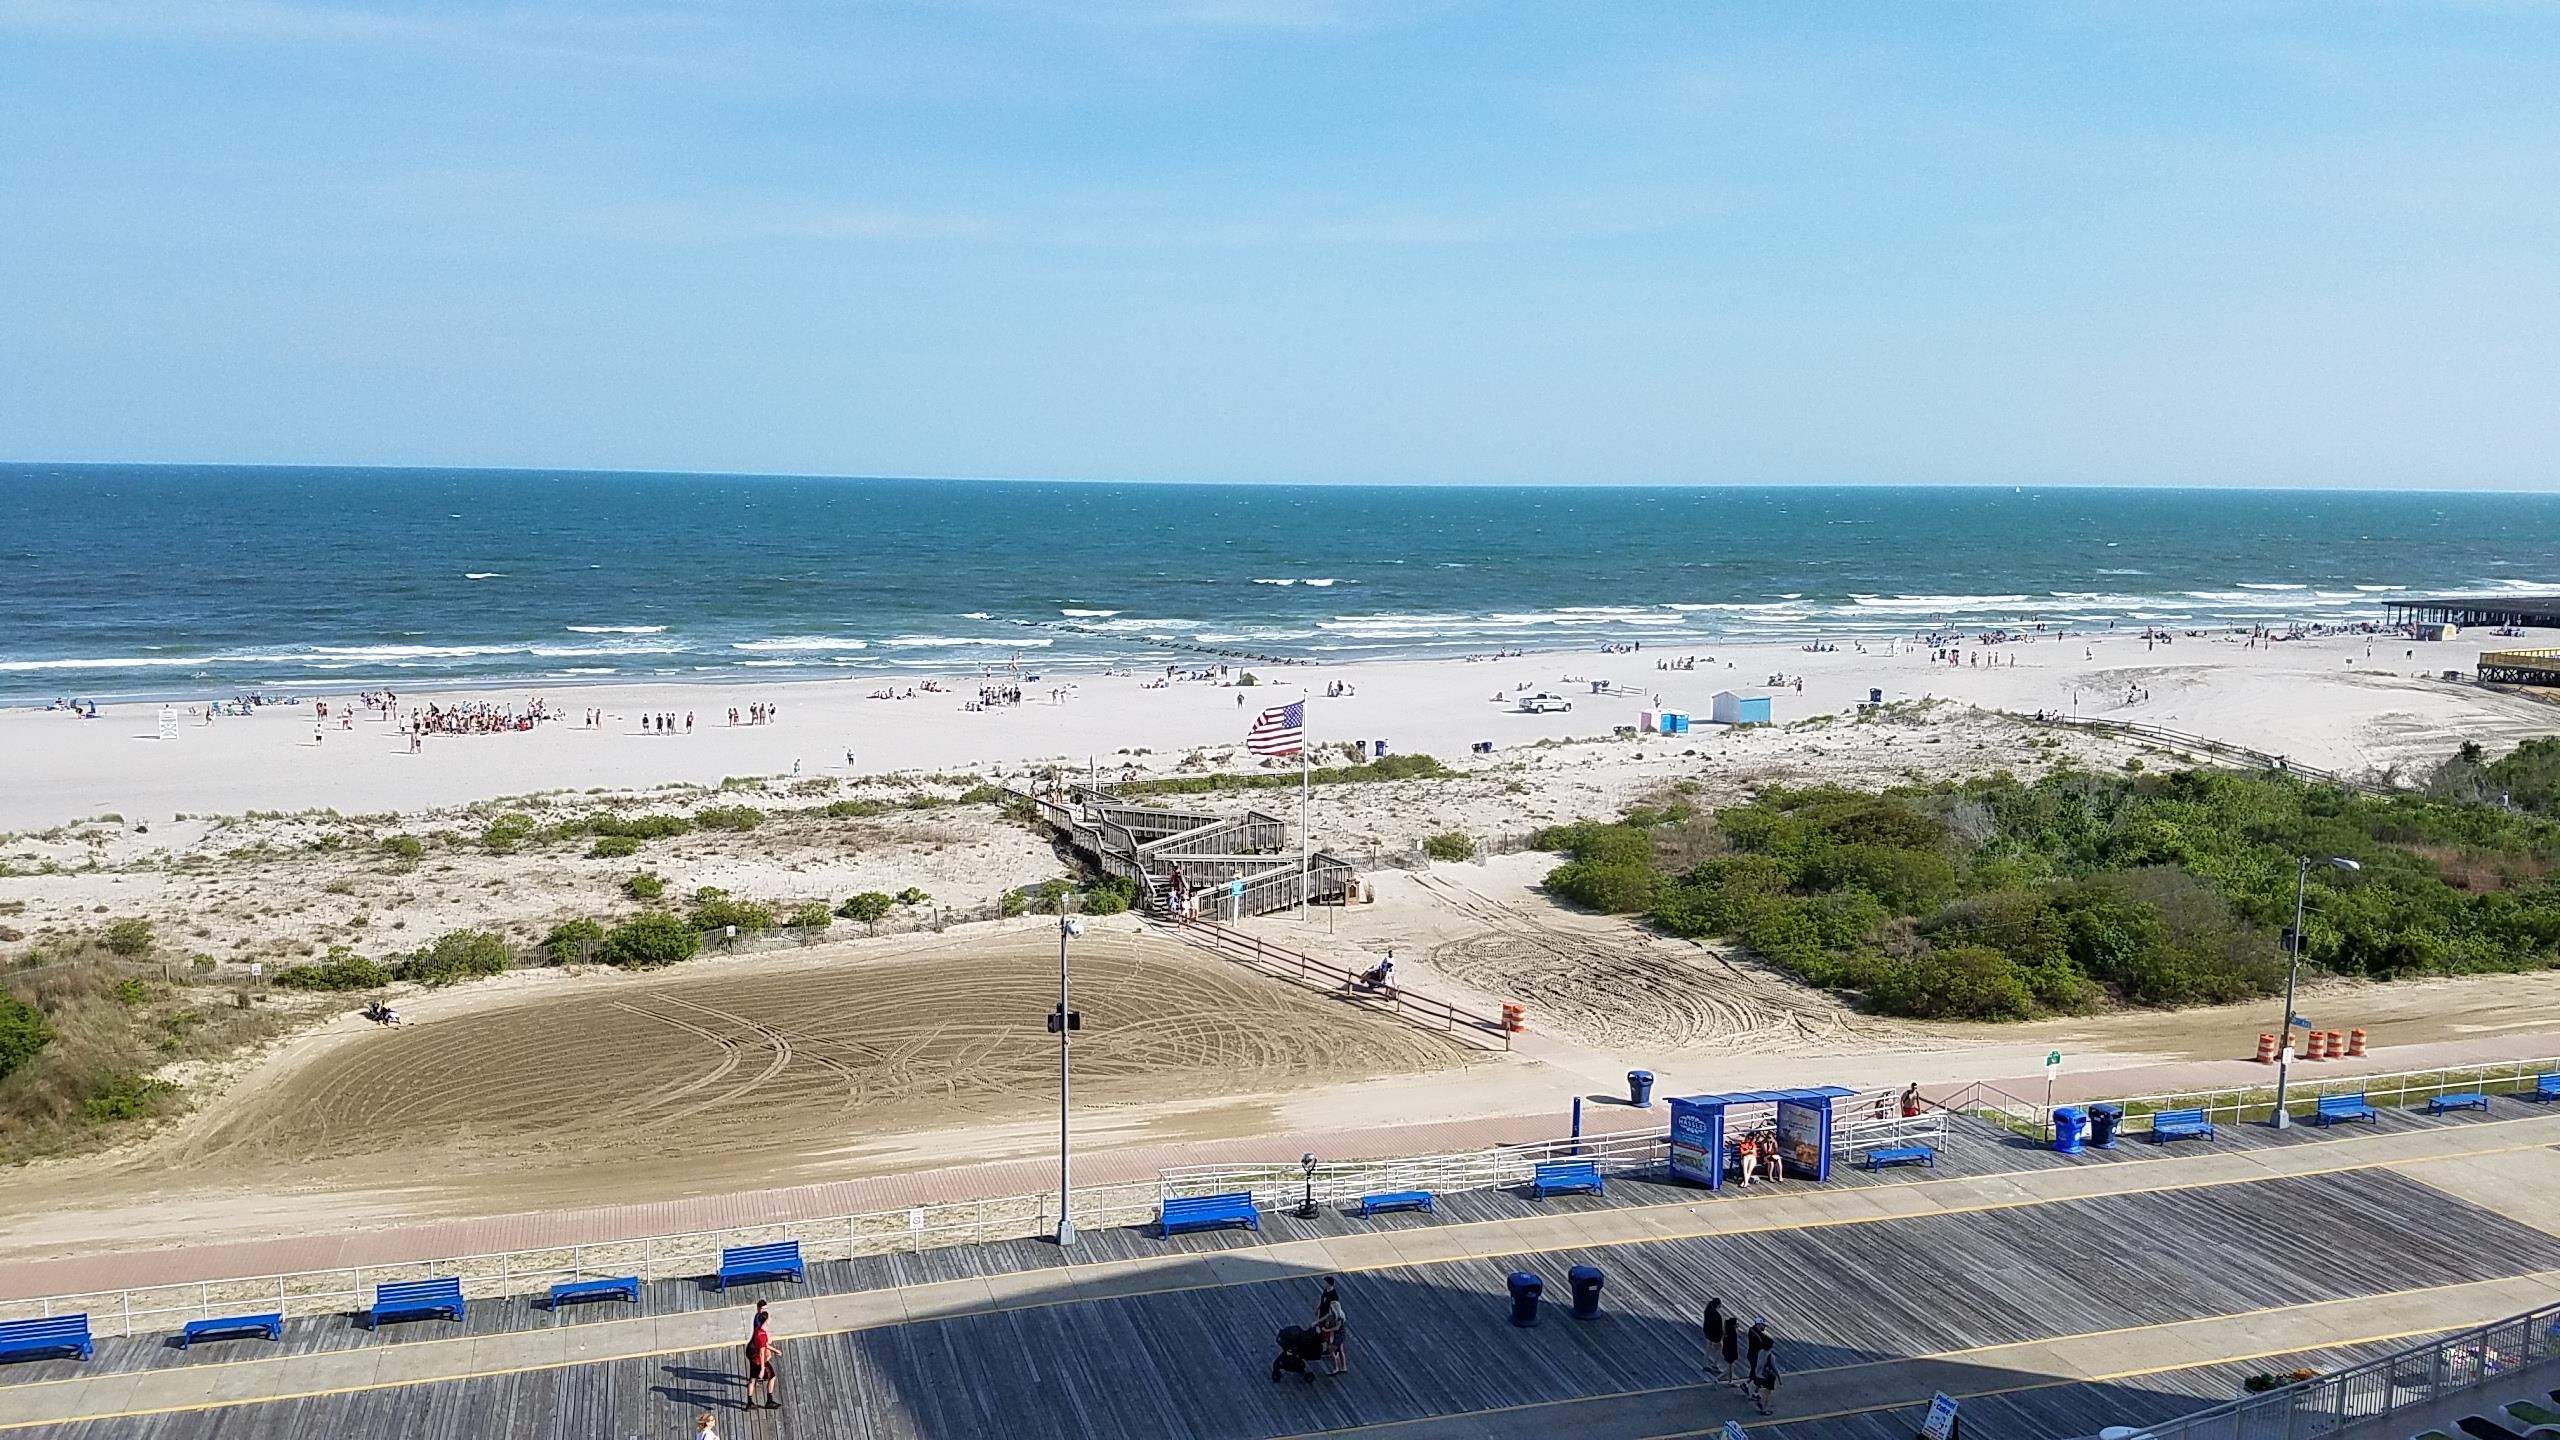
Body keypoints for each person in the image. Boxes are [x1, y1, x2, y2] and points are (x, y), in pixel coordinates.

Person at [744, 1310, 780, 1409]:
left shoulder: (757, 1330)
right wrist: (763, 1368)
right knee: (772, 1377)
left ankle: (749, 1402)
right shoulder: (763, 1336)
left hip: (753, 1359)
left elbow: (765, 1346)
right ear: (766, 1321)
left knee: (752, 1379)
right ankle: (769, 1400)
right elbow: (762, 1352)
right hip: (760, 1361)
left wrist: (775, 1350)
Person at [1314, 1277, 1348, 1375]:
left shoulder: (1338, 1317)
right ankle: (1343, 1367)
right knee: (1340, 1348)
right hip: (1338, 1333)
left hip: (1338, 1333)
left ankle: (1336, 1368)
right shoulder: (1335, 1314)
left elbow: (1336, 1327)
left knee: (1331, 1349)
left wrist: (1326, 1329)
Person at [1750, 1339, 1779, 1415]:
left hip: (1758, 1374)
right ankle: (1764, 1409)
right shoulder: (1771, 1356)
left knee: (1760, 1388)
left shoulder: (1761, 1352)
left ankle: (1757, 1398)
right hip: (1767, 1377)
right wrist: (1779, 1377)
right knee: (1767, 1393)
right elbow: (1774, 1368)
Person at [1701, 1297, 1726, 1377]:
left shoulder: (1707, 1310)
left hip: (1707, 1331)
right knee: (1720, 1347)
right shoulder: (1717, 1315)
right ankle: (1714, 1364)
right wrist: (1722, 1336)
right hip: (1714, 1334)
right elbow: (1720, 1327)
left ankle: (1705, 1364)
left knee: (1708, 1348)